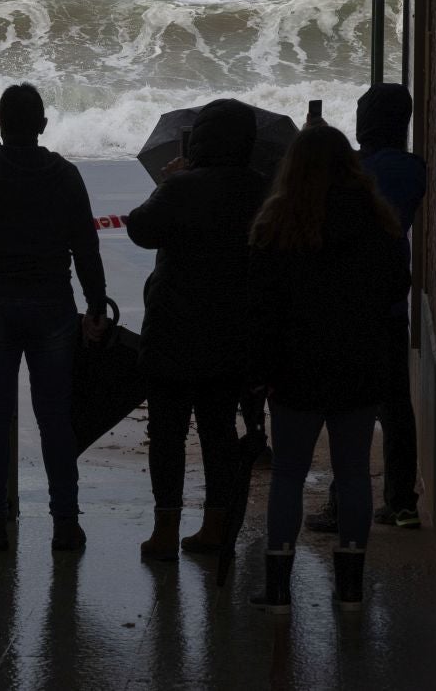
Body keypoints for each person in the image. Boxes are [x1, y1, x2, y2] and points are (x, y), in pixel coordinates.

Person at [246, 125, 410, 613]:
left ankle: (277, 588)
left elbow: (261, 308)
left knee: (289, 475)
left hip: (295, 369)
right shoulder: (378, 221)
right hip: (359, 366)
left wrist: (259, 372)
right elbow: (395, 290)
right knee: (354, 472)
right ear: (349, 163)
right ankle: (351, 588)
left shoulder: (277, 223)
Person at [0, 83, 107, 553]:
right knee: (55, 420)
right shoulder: (65, 175)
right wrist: (96, 303)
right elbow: (86, 247)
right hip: (53, 306)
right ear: (43, 126)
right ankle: (66, 524)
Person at [125, 99, 269, 561]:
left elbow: (141, 230)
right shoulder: (263, 191)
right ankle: (214, 526)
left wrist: (168, 183)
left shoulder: (181, 187)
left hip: (172, 329)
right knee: (219, 431)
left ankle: (165, 531)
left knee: (167, 433)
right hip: (231, 330)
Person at [305, 82, 427, 533]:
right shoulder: (413, 170)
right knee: (396, 406)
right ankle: (402, 504)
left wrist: (316, 148)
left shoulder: (352, 172)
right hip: (391, 302)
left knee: (347, 408)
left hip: (347, 305)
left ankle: (342, 505)